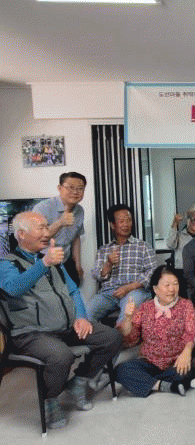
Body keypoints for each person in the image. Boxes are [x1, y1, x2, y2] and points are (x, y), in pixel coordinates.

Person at [0, 212, 122, 429]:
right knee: (61, 356)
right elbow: (13, 288)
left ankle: (80, 381)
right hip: (30, 334)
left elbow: (73, 291)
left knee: (111, 337)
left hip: (65, 327)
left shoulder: (53, 260)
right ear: (21, 234)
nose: (46, 232)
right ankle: (51, 400)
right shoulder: (7, 263)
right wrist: (44, 263)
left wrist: (81, 317)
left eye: (47, 227)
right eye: (40, 228)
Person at [116, 266, 195, 397]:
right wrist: (128, 318)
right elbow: (130, 338)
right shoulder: (145, 307)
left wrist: (187, 352)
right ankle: (163, 385)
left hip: (176, 363)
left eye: (175, 284)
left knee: (190, 369)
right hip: (150, 363)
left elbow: (191, 333)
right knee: (121, 370)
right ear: (155, 289)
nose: (172, 289)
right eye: (167, 285)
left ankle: (150, 383)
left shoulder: (186, 305)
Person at [89, 204, 156, 324]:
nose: (126, 224)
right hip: (108, 293)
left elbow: (153, 272)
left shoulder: (143, 246)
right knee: (86, 314)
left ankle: (121, 334)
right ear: (112, 225)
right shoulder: (104, 249)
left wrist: (129, 287)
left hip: (135, 291)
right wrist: (108, 263)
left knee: (125, 318)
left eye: (129, 220)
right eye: (121, 221)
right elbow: (97, 275)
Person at [33, 171, 87, 285]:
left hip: (65, 259)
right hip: (43, 259)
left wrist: (78, 265)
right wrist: (60, 223)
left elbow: (76, 238)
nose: (75, 192)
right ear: (59, 188)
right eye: (70, 187)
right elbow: (36, 238)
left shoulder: (79, 210)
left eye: (80, 188)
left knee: (74, 287)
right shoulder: (43, 208)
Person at [166, 203, 195, 271]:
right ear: (188, 220)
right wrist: (175, 223)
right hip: (182, 271)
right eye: (193, 219)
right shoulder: (180, 235)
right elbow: (170, 245)